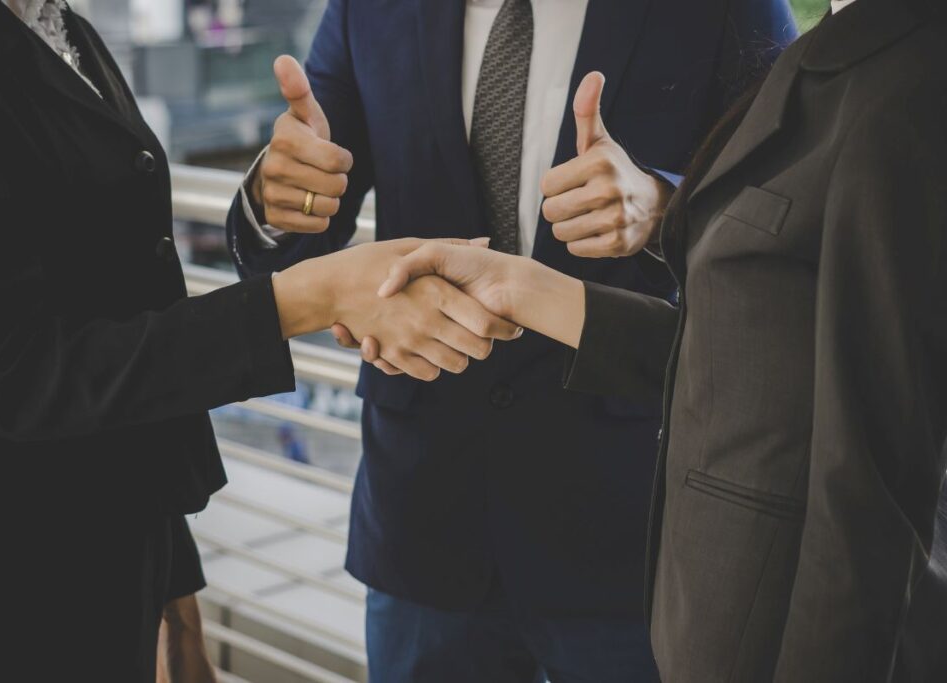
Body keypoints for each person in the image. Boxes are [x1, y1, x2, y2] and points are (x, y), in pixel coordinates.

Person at [0, 2, 518, 682]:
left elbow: (119, 303)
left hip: (119, 558)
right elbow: (19, 373)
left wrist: (176, 587)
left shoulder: (60, 26)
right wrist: (303, 298)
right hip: (5, 588)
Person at [367, 0, 947, 679]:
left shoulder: (902, 82)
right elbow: (767, 349)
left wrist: (660, 203)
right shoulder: (838, 51)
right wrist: (526, 291)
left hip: (643, 543)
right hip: (430, 519)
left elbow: (874, 484)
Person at [227, 2, 796, 680]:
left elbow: (789, 225)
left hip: (632, 523)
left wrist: (662, 208)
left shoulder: (727, 9)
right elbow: (302, 234)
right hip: (427, 516)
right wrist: (276, 199)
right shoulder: (366, 9)